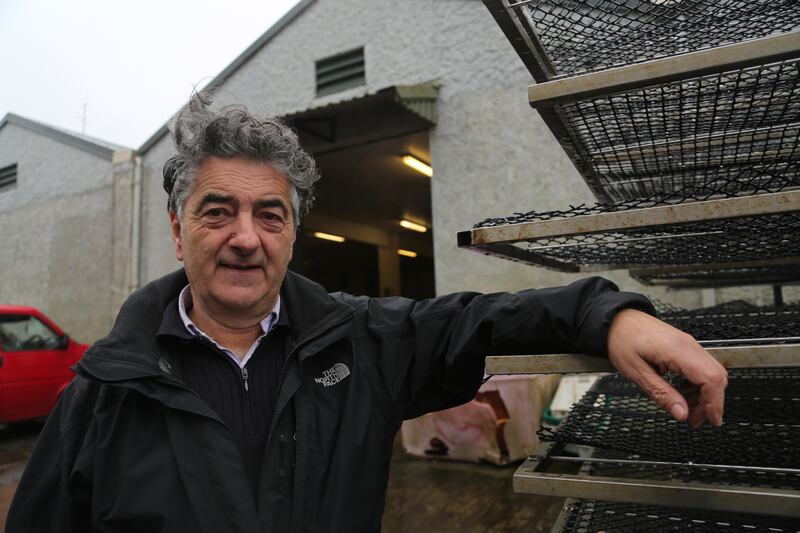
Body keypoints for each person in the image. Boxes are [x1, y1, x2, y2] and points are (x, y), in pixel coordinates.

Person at [7, 93, 727, 532]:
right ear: (177, 229)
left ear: (293, 232)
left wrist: (612, 316)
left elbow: (484, 316)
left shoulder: (359, 345)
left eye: (270, 214)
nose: (245, 237)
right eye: (217, 212)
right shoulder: (104, 391)